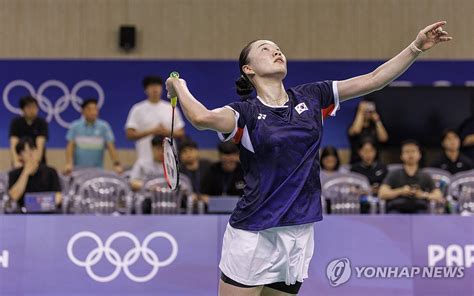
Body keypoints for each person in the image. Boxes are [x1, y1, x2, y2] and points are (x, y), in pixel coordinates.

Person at [165, 22, 451, 295]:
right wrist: (179, 86)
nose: (276, 51)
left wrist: (415, 47)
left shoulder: (313, 96)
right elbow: (202, 118)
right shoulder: (245, 113)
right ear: (248, 69)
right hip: (254, 233)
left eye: (278, 48)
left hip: (299, 231)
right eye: (265, 48)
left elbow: (373, 80)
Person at [125, 75, 185, 162]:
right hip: (145, 159)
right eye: (151, 86)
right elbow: (129, 134)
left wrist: (166, 132)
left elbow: (181, 132)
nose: (155, 89)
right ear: (146, 90)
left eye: (157, 86)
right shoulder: (137, 109)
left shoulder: (171, 107)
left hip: (169, 160)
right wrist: (152, 131)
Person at [379, 140, 443, 214]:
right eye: (407, 151)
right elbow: (382, 193)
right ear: (401, 156)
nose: (410, 154)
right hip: (396, 210)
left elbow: (438, 196)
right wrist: (400, 191)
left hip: (420, 210)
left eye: (413, 151)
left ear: (419, 155)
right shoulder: (394, 174)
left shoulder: (425, 175)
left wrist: (422, 194)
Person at [65, 98, 122, 174]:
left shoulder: (104, 127)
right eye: (89, 109)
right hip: (78, 171)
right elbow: (70, 146)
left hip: (98, 170)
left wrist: (116, 164)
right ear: (82, 111)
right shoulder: (75, 126)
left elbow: (111, 146)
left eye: (95, 109)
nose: (93, 112)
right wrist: (69, 163)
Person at [8, 137, 61, 211]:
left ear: (37, 151)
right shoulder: (14, 174)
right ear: (20, 156)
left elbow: (58, 197)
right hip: (22, 216)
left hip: (47, 213)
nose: (30, 153)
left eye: (32, 149)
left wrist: (41, 205)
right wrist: (25, 173)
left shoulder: (51, 172)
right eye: (25, 151)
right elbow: (13, 197)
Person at [9, 95, 48, 167]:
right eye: (29, 107)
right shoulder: (16, 123)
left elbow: (40, 144)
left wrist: (36, 162)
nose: (32, 110)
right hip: (20, 162)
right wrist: (16, 161)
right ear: (22, 109)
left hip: (38, 163)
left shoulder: (42, 123)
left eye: (34, 107)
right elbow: (13, 144)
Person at [347, 99, 388, 163]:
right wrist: (360, 111)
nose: (367, 112)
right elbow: (356, 131)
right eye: (365, 111)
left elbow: (384, 138)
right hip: (357, 163)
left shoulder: (375, 127)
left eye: (369, 111)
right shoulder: (352, 126)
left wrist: (377, 120)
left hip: (374, 163)